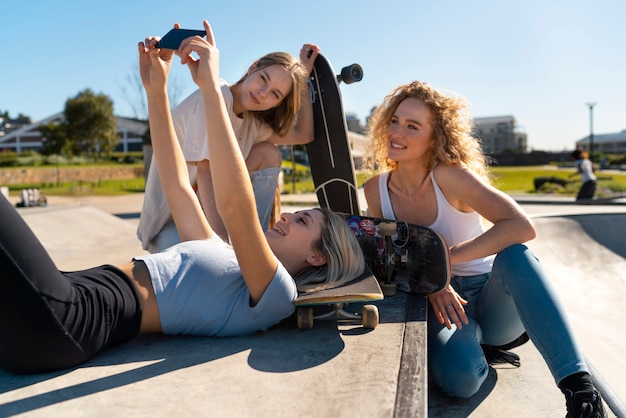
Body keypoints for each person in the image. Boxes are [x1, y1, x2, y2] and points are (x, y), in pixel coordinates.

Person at [0, 20, 364, 374]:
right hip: (72, 293)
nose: (284, 216)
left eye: (302, 220)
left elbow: (237, 207)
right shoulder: (222, 250)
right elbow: (175, 182)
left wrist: (210, 89)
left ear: (317, 256)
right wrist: (155, 90)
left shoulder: (276, 295)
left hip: (71, 317)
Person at [363, 81, 607, 417]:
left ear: (435, 138)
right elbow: (386, 257)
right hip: (438, 303)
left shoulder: (451, 176)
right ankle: (476, 348)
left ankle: (581, 392)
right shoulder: (376, 189)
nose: (397, 132)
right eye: (394, 121)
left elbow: (521, 226)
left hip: (491, 298)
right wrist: (431, 280)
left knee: (516, 255)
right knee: (460, 382)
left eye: (412, 126)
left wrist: (445, 259)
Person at [138, 25, 319, 252]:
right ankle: (248, 250)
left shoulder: (253, 123)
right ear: (253, 68)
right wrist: (227, 249)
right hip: (171, 220)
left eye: (275, 93)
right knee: (214, 268)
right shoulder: (215, 96)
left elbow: (304, 134)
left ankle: (258, 242)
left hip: (209, 210)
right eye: (263, 78)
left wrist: (304, 78)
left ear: (277, 103)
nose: (263, 92)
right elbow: (206, 175)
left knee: (268, 153)